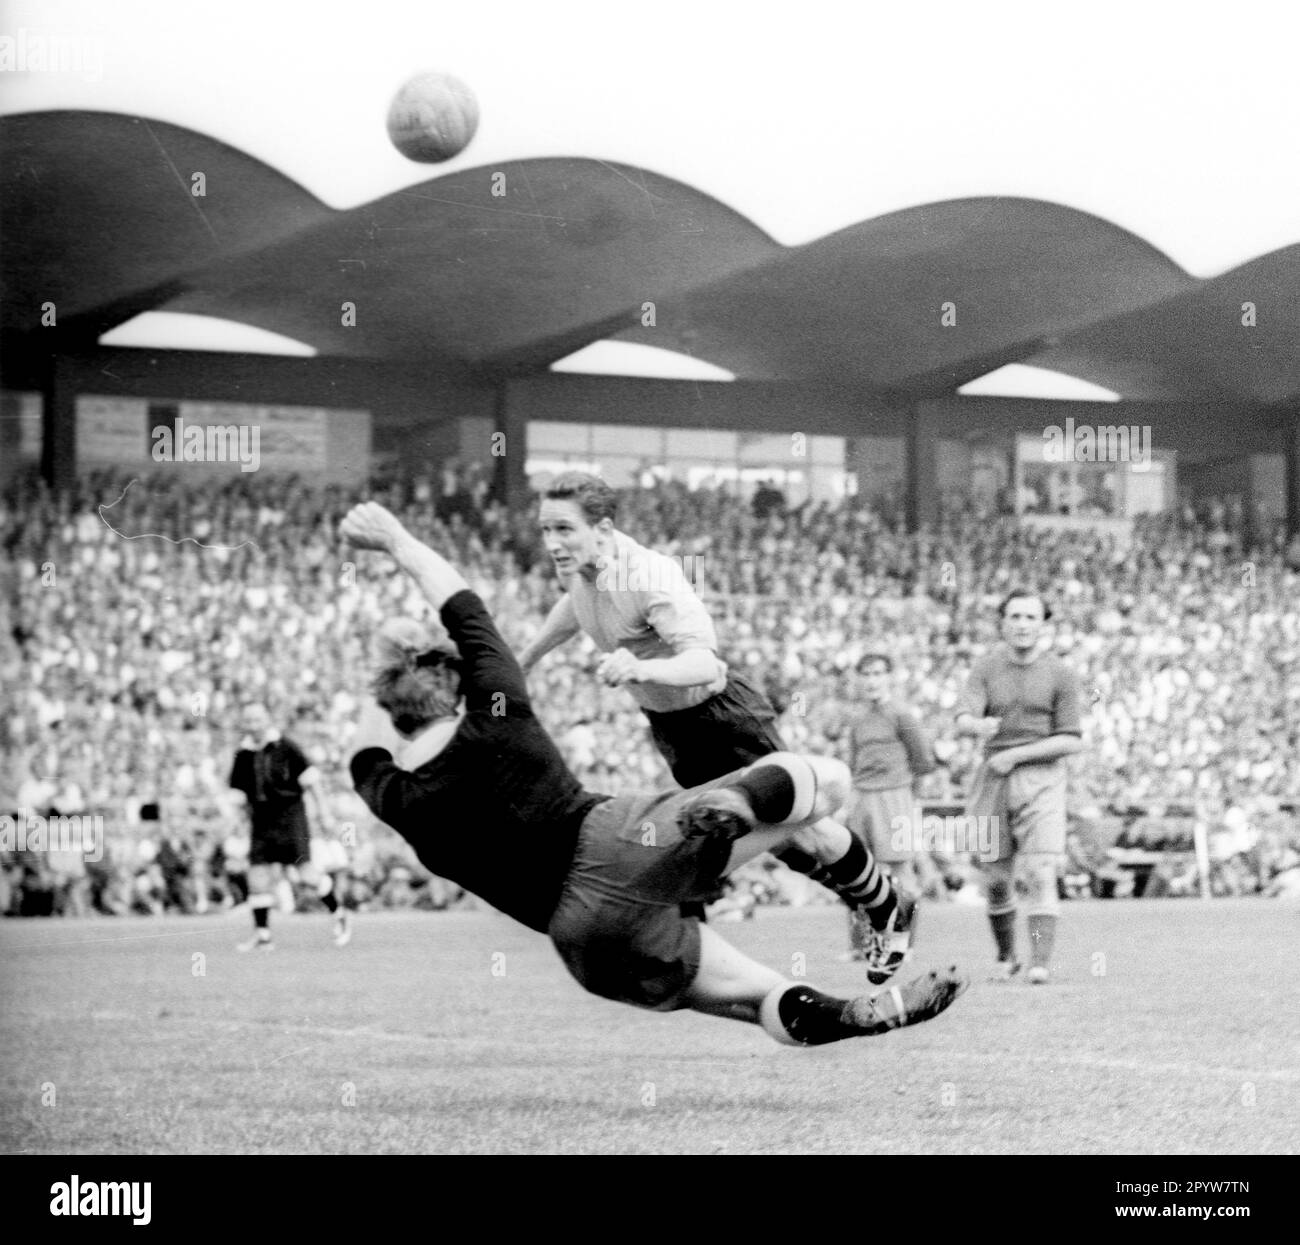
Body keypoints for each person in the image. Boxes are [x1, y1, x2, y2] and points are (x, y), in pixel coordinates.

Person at [340, 500, 966, 1046]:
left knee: (757, 997)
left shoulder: (388, 792)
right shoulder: (496, 713)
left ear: (388, 710)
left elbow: (363, 751)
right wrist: (395, 540)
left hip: (580, 941)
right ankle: (751, 808)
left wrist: (385, 677)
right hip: (614, 850)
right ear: (453, 684)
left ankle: (853, 1013)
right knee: (822, 779)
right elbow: (460, 603)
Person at [518, 472, 916, 979]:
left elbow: (705, 663)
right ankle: (884, 903)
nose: (552, 543)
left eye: (563, 530)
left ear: (603, 528)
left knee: (791, 827)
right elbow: (574, 605)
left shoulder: (651, 576)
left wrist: (641, 669)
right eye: (546, 529)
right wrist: (526, 658)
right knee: (784, 838)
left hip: (723, 717)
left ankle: (880, 906)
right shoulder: (581, 569)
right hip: (674, 728)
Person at [954, 591, 1085, 983]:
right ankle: (1006, 954)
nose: (1023, 624)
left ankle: (1040, 962)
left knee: (1042, 869)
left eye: (1031, 617)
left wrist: (1019, 754)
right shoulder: (985, 669)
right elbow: (963, 715)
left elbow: (1072, 739)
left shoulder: (1061, 674)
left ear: (1043, 624)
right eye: (1015, 616)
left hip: (1042, 778)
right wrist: (976, 725)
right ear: (1003, 623)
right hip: (992, 775)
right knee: (994, 878)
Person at [832, 652, 954, 964]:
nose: (872, 680)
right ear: (859, 679)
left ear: (889, 677)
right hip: (861, 796)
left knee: (902, 876)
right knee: (854, 873)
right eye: (866, 674)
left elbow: (923, 761)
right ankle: (862, 946)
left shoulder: (902, 714)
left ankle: (903, 945)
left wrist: (905, 798)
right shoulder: (857, 719)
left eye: (877, 674)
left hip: (894, 797)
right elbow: (852, 760)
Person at [227, 703, 351, 951]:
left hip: (290, 817)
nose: (254, 725)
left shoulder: (287, 748)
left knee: (306, 874)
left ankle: (338, 913)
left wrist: (325, 814)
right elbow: (238, 794)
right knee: (257, 877)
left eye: (258, 719)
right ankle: (263, 936)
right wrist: (238, 823)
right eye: (249, 720)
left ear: (267, 719)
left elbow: (313, 783)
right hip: (261, 821)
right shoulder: (243, 754)